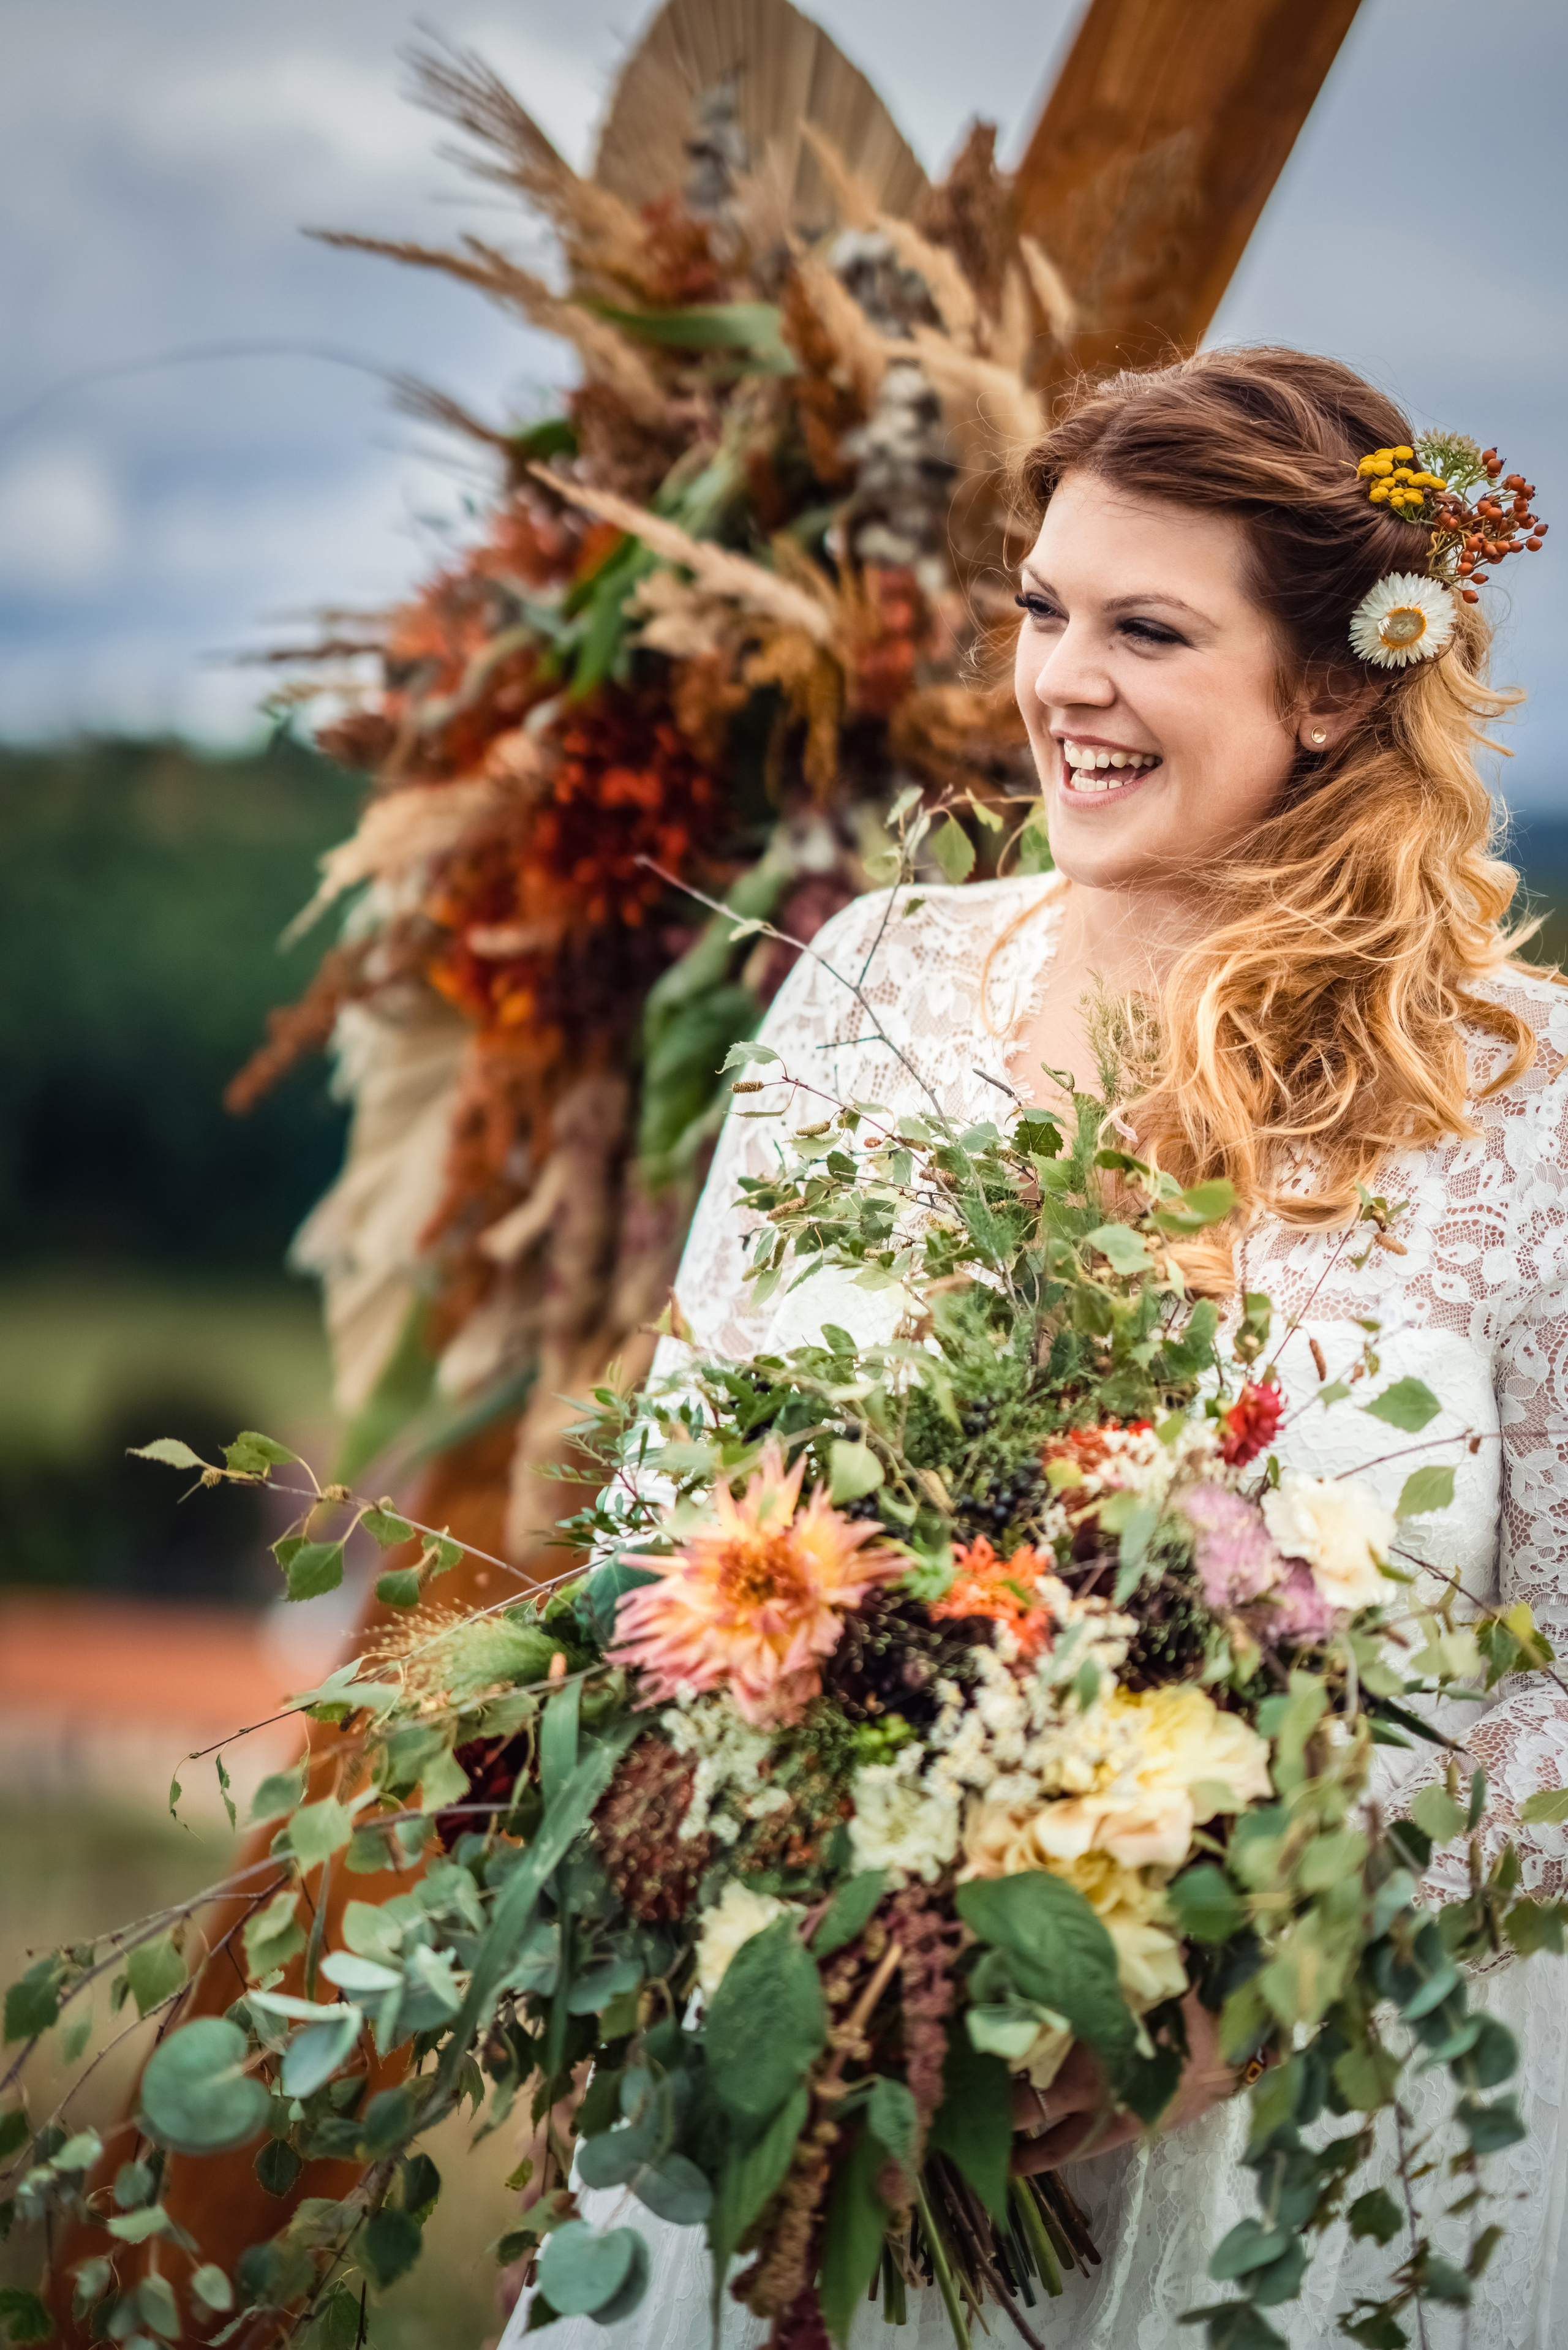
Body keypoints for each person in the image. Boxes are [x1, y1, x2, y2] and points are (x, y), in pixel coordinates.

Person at [503, 347, 1568, 2348]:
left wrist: (1249, 1983)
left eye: (1148, 631)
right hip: (862, 2091)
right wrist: (829, 1885)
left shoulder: (1526, 1104)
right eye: (1043, 609)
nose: (1063, 681)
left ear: (1338, 685)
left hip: (1334, 2155)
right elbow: (676, 1515)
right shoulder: (872, 985)